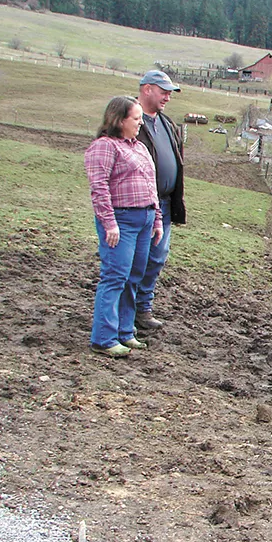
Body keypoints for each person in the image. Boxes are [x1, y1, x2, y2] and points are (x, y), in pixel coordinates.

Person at [85, 96, 164, 357]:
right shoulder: (105, 147)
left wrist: (157, 219)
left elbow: (151, 186)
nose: (140, 124)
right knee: (115, 276)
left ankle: (125, 331)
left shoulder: (139, 148)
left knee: (133, 277)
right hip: (121, 220)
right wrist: (109, 223)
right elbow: (99, 188)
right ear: (119, 120)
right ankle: (104, 338)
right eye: (136, 119)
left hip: (144, 220)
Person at [135, 70, 186, 330]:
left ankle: (142, 308)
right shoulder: (130, 121)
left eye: (169, 92)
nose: (167, 96)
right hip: (138, 204)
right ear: (147, 89)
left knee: (157, 257)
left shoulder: (167, 124)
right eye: (163, 91)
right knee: (136, 258)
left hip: (164, 203)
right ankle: (127, 312)